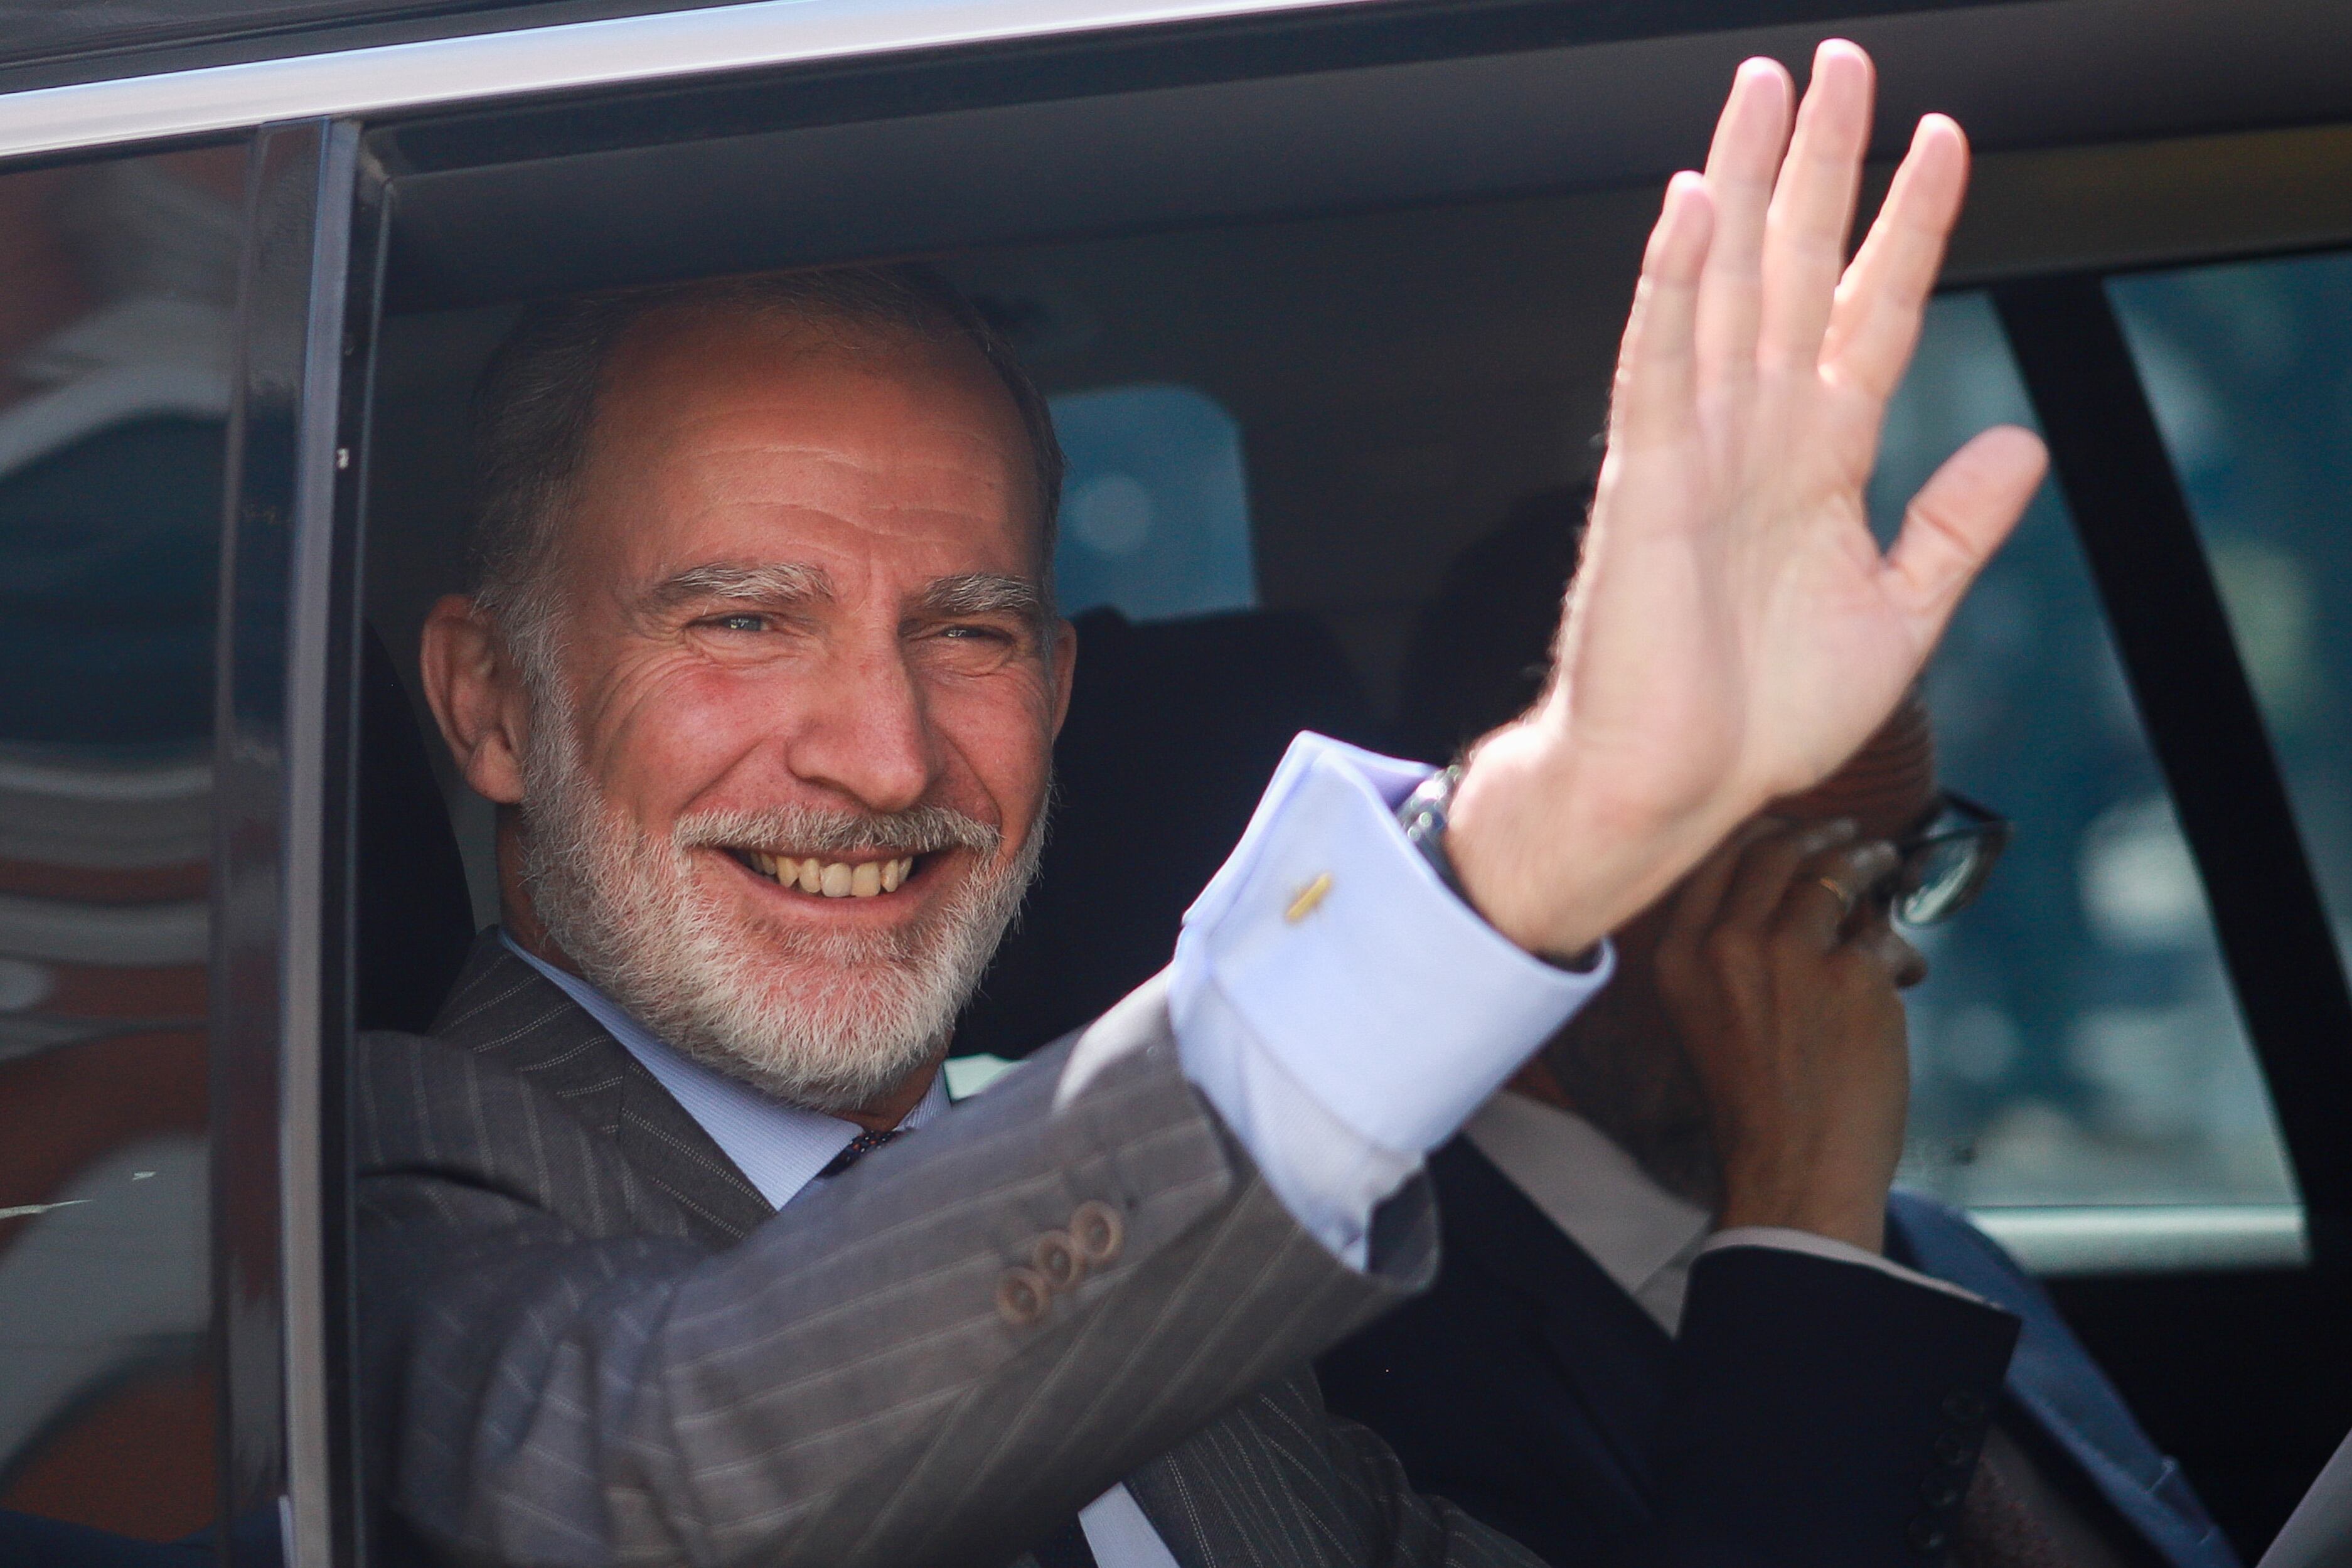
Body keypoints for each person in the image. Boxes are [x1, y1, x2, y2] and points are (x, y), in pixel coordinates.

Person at [360, 41, 2051, 1568]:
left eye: (966, 631)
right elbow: (645, 1478)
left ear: (1057, 692)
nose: (881, 758)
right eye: (740, 621)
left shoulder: (1167, 1282)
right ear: (490, 703)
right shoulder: (380, 1182)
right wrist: (1540, 828)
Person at [1324, 567, 2238, 1568]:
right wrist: (1802, 1217)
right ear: (1530, 870)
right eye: (1794, 887)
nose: (1887, 958)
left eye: (1898, 873)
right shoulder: (1380, 1367)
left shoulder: (1934, 1251)